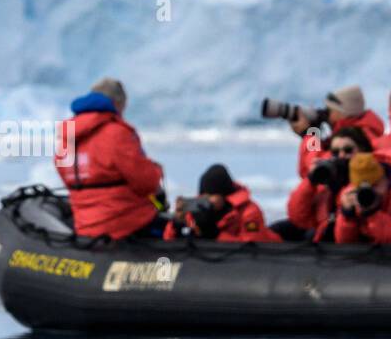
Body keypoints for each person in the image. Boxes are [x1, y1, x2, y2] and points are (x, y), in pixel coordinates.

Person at [54, 78, 166, 239]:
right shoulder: (117, 133)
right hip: (126, 224)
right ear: (117, 103)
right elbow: (146, 182)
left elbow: (68, 178)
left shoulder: (68, 136)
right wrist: (156, 171)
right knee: (174, 229)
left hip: (85, 226)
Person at [279, 125, 376, 242]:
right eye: (335, 152)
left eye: (348, 151)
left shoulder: (372, 180)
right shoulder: (327, 182)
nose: (341, 156)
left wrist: (348, 212)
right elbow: (297, 216)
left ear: (363, 151)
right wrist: (310, 181)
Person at [289, 85, 384, 183]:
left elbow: (318, 167)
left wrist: (308, 134)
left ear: (343, 113)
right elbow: (306, 173)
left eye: (329, 110)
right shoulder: (360, 131)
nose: (327, 114)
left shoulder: (360, 136)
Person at [163, 164, 281, 242]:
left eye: (211, 195)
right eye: (204, 195)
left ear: (224, 195)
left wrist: (213, 234)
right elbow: (169, 241)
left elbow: (253, 247)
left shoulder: (249, 211)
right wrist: (176, 224)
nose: (207, 200)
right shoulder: (200, 210)